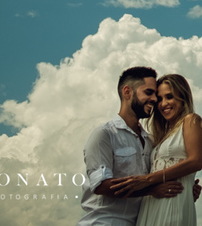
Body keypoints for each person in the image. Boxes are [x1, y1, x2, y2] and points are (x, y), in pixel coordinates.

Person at [78, 67, 186, 226]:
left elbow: (157, 182)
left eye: (155, 94)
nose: (155, 99)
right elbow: (101, 185)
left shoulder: (151, 142)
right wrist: (149, 190)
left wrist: (184, 189)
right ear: (127, 92)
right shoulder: (104, 134)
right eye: (148, 92)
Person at [114, 73, 202, 226]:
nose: (163, 104)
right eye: (160, 99)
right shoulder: (160, 137)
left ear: (182, 98)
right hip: (151, 204)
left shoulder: (191, 120)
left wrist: (147, 179)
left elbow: (196, 161)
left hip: (174, 204)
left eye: (169, 97)